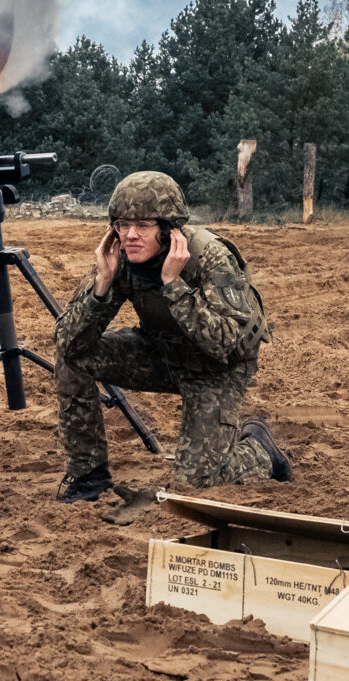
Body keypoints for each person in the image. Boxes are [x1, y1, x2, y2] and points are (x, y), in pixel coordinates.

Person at [53, 171, 287, 501]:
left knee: (196, 485)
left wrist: (173, 285)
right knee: (71, 358)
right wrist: (102, 286)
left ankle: (260, 450)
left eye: (144, 225)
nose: (130, 234)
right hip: (163, 353)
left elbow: (225, 343)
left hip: (215, 371)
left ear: (167, 228)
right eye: (121, 224)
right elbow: (68, 340)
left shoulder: (209, 257)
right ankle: (88, 475)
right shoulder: (119, 254)